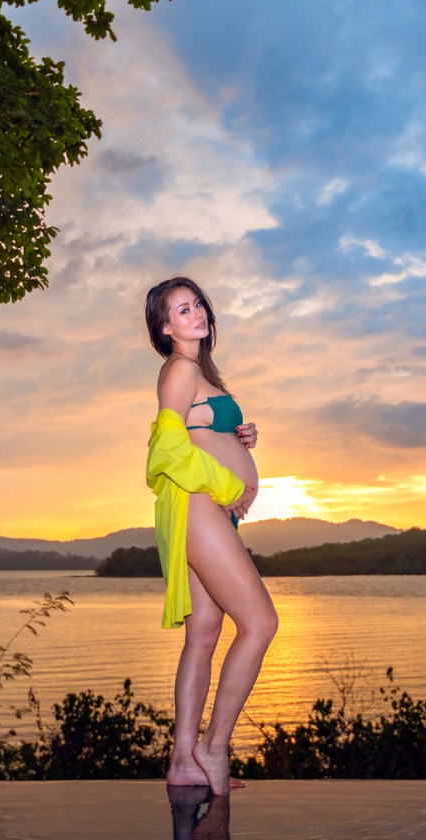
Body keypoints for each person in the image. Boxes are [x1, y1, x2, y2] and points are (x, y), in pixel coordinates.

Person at [144, 275, 278, 795]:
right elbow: (165, 451)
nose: (196, 313)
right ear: (164, 326)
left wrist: (242, 436)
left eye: (198, 304)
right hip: (200, 505)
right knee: (261, 622)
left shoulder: (201, 373)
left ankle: (183, 760)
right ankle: (214, 747)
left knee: (202, 636)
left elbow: (200, 434)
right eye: (182, 310)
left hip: (213, 511)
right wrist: (229, 481)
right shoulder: (178, 370)